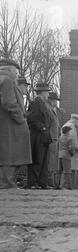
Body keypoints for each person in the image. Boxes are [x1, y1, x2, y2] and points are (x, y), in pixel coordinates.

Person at [0, 59, 32, 189]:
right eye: (16, 71)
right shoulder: (7, 80)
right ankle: (7, 183)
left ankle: (6, 182)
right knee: (11, 154)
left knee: (6, 153)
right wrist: (21, 119)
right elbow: (9, 103)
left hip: (4, 124)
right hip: (10, 125)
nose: (18, 74)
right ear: (8, 69)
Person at [26, 82, 53, 189]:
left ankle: (43, 182)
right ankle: (33, 182)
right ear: (42, 93)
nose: (48, 95)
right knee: (37, 159)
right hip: (37, 136)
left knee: (44, 160)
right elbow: (31, 119)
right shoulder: (34, 103)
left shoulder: (45, 105)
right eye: (47, 92)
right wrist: (42, 127)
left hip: (45, 137)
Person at [62, 114, 78, 189]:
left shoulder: (66, 125)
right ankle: (67, 185)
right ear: (75, 120)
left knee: (68, 168)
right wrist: (77, 149)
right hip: (71, 152)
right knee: (70, 169)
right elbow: (71, 140)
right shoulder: (71, 127)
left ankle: (67, 185)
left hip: (67, 151)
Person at [46, 92, 61, 188]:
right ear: (52, 100)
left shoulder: (52, 109)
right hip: (51, 138)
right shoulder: (48, 109)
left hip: (54, 138)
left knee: (52, 161)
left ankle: (50, 181)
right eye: (56, 101)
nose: (56, 103)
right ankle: (49, 181)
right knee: (50, 161)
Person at [58, 126, 77, 190]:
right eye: (69, 131)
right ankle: (65, 185)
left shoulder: (60, 138)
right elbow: (70, 148)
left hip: (60, 155)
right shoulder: (69, 139)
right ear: (67, 132)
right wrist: (72, 154)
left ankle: (58, 184)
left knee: (60, 171)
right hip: (66, 156)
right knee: (67, 171)